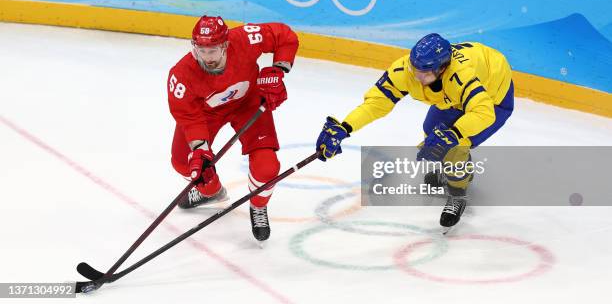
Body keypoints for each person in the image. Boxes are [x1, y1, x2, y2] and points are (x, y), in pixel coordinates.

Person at [315, 33, 514, 229]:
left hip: (493, 97)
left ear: (443, 68)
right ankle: (458, 170)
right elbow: (377, 102)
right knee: (432, 132)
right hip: (455, 97)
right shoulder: (407, 70)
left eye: (425, 73)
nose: (417, 77)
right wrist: (345, 126)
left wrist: (454, 134)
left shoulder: (460, 76)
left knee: (453, 146)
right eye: (415, 69)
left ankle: (458, 194)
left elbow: (484, 112)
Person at [167, 15, 298, 241]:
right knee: (183, 163)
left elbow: (284, 36)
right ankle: (212, 192)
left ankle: (258, 205)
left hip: (248, 104)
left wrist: (278, 69)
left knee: (267, 167)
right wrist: (200, 149)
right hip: (206, 114)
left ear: (226, 45)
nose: (207, 58)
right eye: (202, 50)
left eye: (213, 50)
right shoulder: (181, 74)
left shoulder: (245, 39)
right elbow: (188, 116)